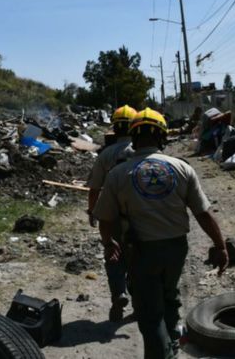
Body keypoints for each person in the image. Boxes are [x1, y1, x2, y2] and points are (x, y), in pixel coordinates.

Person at [93, 107, 229, 359]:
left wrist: (109, 242)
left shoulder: (118, 174)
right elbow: (203, 213)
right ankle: (172, 342)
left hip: (141, 252)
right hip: (176, 249)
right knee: (169, 293)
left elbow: (105, 218)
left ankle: (162, 350)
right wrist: (220, 245)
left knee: (149, 315)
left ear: (133, 138)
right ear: (162, 137)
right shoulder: (182, 168)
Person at [86, 104, 137, 322]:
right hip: (140, 212)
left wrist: (92, 211)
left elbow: (95, 187)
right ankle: (140, 297)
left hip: (113, 213)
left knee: (114, 253)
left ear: (114, 129)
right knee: (139, 256)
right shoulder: (141, 150)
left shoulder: (106, 154)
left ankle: (118, 292)